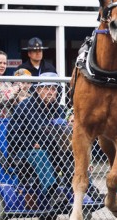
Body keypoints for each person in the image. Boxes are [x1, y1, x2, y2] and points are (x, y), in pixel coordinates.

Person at [7, 72, 70, 208]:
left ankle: (86, 190)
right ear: (38, 89)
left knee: (71, 155)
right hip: (24, 151)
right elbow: (11, 136)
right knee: (40, 154)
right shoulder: (24, 107)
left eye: (53, 89)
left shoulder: (60, 110)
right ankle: (54, 194)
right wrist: (31, 143)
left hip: (53, 150)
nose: (50, 92)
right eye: (46, 88)